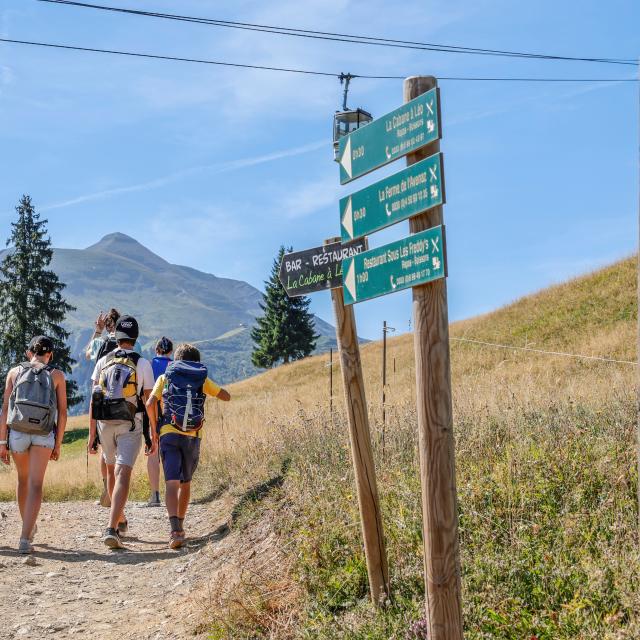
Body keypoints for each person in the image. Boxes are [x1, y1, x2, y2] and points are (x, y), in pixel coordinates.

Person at [146, 343, 230, 549]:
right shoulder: (201, 379)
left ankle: (174, 530)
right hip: (193, 436)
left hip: (168, 433)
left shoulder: (165, 377)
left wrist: (155, 429)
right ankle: (181, 528)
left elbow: (149, 403)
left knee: (171, 483)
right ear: (196, 362)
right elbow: (225, 396)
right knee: (186, 483)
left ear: (176, 360)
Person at [88, 315, 156, 550]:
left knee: (110, 471)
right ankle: (111, 528)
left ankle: (120, 518)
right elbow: (149, 402)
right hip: (130, 423)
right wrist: (153, 435)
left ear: (116, 336)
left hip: (104, 422)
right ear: (135, 338)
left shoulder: (102, 361)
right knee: (123, 472)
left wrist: (91, 435)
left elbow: (93, 400)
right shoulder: (143, 363)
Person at [0, 336, 67, 554]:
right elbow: (63, 412)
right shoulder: (56, 375)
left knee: (23, 480)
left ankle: (28, 527)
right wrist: (58, 443)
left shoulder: (14, 372)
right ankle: (24, 538)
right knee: (36, 484)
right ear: (51, 355)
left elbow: (4, 410)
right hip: (43, 434)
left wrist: (2, 442)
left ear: (30, 352)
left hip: (18, 432)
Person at [85, 308, 142, 508]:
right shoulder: (136, 345)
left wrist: (97, 331)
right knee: (123, 456)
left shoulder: (100, 343)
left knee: (106, 452)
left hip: (103, 404)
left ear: (107, 325)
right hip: (128, 408)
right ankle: (116, 491)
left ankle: (107, 487)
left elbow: (87, 354)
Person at [145, 336, 173, 507]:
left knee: (153, 452)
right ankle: (173, 492)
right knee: (170, 453)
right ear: (170, 351)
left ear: (156, 350)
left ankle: (155, 495)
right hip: (171, 415)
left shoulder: (148, 364)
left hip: (152, 414)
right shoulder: (174, 366)